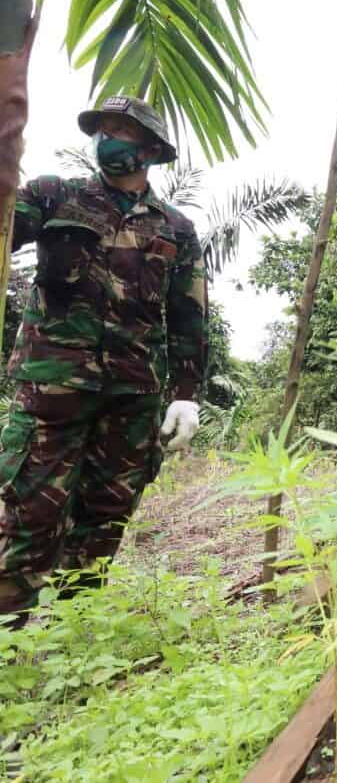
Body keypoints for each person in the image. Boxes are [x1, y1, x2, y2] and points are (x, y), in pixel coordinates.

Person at [0, 96, 206, 625]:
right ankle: (7, 642)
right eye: (103, 129)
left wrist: (186, 395)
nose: (107, 139)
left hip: (130, 400)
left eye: (121, 131)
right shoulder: (53, 196)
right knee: (29, 517)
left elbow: (188, 317)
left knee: (105, 522)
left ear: (152, 151)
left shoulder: (176, 229)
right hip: (51, 394)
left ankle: (73, 642)